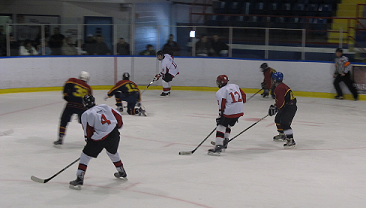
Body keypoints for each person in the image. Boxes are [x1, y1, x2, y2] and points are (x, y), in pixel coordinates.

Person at [69, 94, 127, 190]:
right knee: (112, 152)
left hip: (99, 138)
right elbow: (118, 116)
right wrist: (118, 127)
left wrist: (89, 143)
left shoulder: (86, 114)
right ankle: (121, 171)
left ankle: (79, 177)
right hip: (114, 134)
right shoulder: (104, 106)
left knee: (85, 156)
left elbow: (88, 130)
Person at [208, 75, 246, 155]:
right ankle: (225, 141)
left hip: (230, 112)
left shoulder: (220, 91)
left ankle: (218, 146)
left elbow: (222, 103)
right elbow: (244, 96)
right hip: (239, 111)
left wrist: (220, 116)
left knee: (221, 126)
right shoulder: (235, 86)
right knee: (228, 125)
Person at [54, 71, 92, 145]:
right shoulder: (88, 88)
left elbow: (67, 84)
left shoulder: (73, 80)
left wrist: (66, 95)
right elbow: (89, 100)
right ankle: (90, 139)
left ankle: (60, 138)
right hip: (82, 107)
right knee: (86, 124)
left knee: (64, 120)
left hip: (71, 104)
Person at [268, 72, 297, 149]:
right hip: (287, 106)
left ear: (274, 80)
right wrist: (276, 106)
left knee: (284, 123)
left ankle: (290, 140)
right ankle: (282, 134)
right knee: (277, 119)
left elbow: (281, 102)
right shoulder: (281, 86)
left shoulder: (279, 88)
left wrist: (276, 107)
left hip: (290, 107)